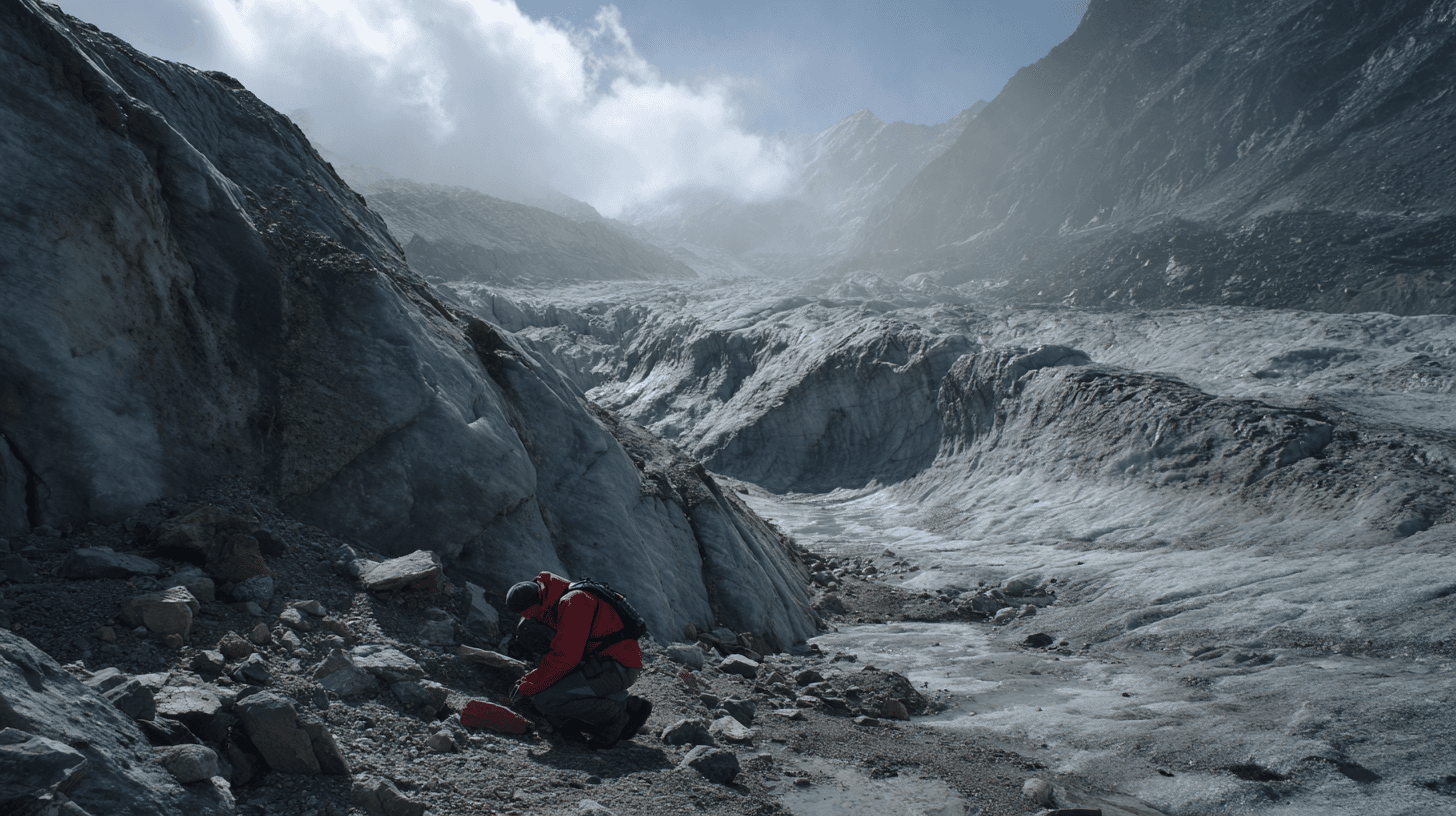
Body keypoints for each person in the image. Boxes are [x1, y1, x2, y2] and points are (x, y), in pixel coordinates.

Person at [505, 571, 651, 748]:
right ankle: (626, 705)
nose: (527, 617)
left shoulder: (574, 602)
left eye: (527, 612)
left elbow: (566, 657)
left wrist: (529, 686)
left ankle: (615, 717)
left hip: (617, 667)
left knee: (546, 700)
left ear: (537, 601)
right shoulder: (557, 596)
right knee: (547, 690)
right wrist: (529, 681)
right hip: (603, 662)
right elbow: (564, 654)